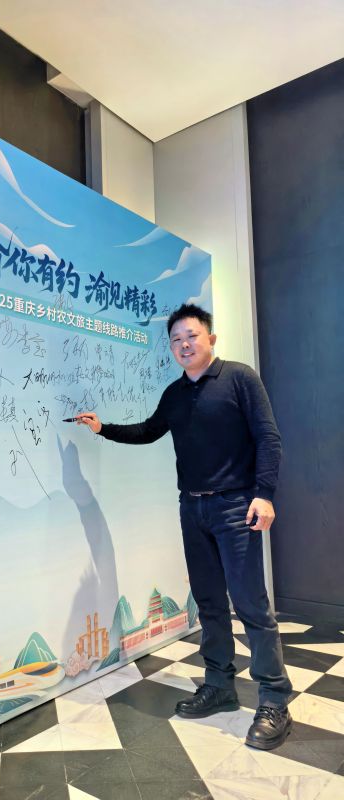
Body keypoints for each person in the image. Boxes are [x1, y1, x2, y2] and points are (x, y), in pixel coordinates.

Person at [76, 303, 292, 751]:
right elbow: (149, 430)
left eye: (191, 336)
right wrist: (102, 429)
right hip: (192, 508)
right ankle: (219, 686)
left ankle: (274, 700)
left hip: (236, 507)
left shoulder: (240, 378)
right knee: (208, 602)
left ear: (210, 338)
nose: (184, 345)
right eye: (175, 340)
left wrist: (265, 493)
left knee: (250, 603)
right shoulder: (175, 394)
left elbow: (268, 437)